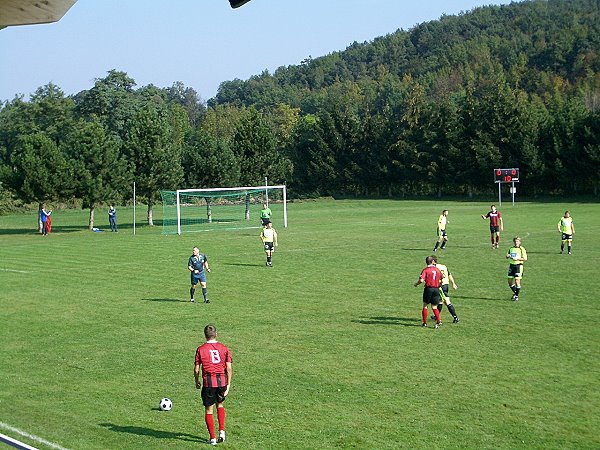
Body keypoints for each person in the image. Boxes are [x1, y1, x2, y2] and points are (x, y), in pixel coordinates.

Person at [195, 324, 232, 446]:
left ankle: (212, 438)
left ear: (205, 335)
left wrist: (197, 381)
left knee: (209, 410)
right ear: (216, 334)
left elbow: (196, 369)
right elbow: (228, 367)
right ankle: (222, 431)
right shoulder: (224, 348)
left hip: (208, 383)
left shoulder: (200, 349)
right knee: (220, 405)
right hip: (222, 381)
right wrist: (228, 384)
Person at [414, 255, 443, 328]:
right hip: (436, 289)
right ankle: (438, 321)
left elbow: (421, 280)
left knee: (425, 305)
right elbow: (442, 278)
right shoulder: (437, 270)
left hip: (428, 289)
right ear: (432, 262)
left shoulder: (426, 270)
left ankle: (424, 323)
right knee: (434, 306)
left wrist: (416, 284)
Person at [432, 257, 460, 323]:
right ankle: (436, 316)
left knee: (447, 301)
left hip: (440, 285)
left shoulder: (434, 269)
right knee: (440, 301)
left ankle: (455, 317)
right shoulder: (443, 266)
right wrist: (453, 283)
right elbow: (449, 274)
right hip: (446, 285)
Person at [506, 236, 527, 301]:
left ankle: (516, 296)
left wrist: (517, 259)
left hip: (518, 266)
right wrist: (507, 256)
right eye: (515, 241)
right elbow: (507, 255)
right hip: (511, 266)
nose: (516, 243)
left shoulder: (522, 249)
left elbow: (525, 258)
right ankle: (515, 293)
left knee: (517, 281)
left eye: (517, 241)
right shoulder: (511, 248)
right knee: (509, 282)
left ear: (520, 242)